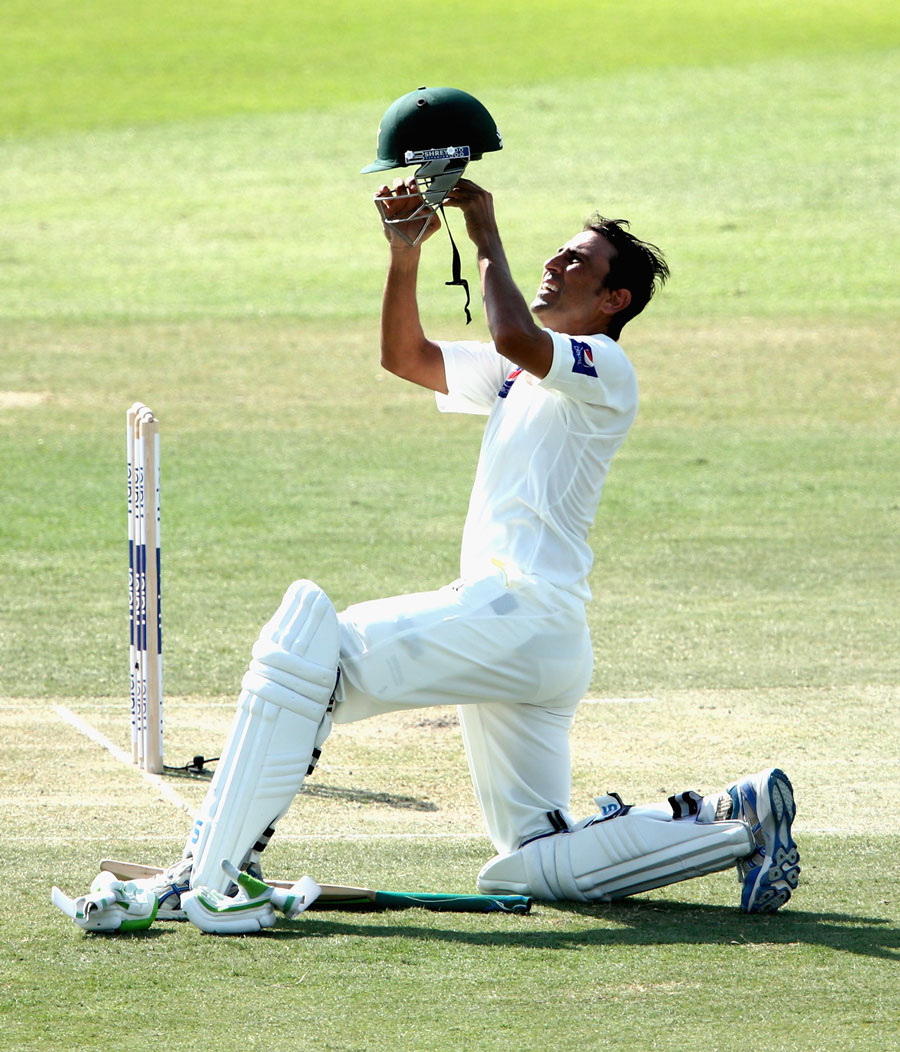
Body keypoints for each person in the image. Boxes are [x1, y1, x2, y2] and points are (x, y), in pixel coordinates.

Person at [60, 170, 799, 934]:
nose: (554, 263)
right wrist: (405, 250)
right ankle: (737, 818)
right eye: (558, 252)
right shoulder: (518, 372)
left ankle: (213, 871)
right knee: (527, 859)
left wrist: (485, 232)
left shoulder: (605, 367)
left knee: (311, 648)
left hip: (522, 610)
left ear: (615, 300)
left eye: (576, 261)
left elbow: (514, 334)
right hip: (533, 639)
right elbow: (405, 355)